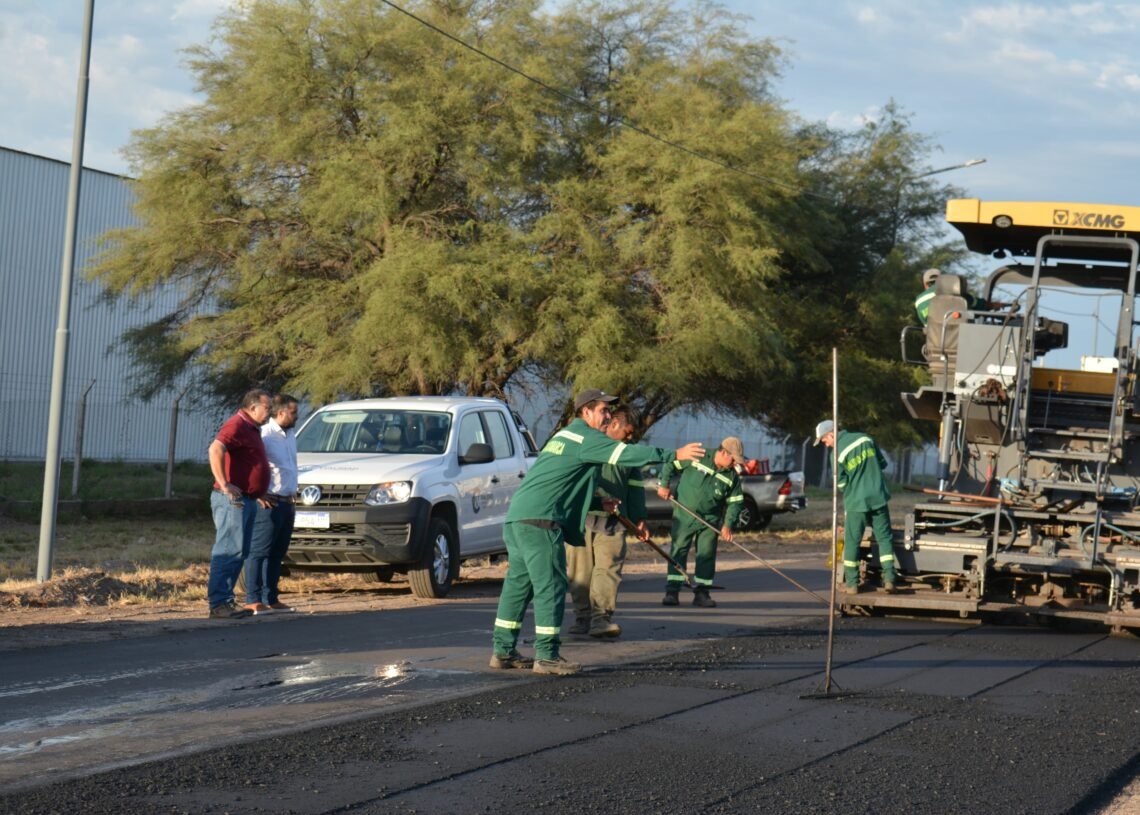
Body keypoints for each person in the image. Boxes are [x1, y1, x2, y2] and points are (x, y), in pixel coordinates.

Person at [491, 389, 705, 676]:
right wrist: (673, 455)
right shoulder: (588, 438)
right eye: (603, 410)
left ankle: (503, 652)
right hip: (541, 521)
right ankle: (547, 656)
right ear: (585, 412)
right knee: (551, 586)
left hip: (519, 519)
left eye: (608, 411)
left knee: (518, 587)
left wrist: (597, 502)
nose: (608, 416)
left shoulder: (564, 437)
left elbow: (560, 483)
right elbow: (625, 454)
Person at [566, 406, 647, 640]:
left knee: (608, 570)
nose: (630, 439)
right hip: (582, 519)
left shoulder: (628, 453)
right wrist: (601, 497)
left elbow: (636, 489)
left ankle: (601, 619)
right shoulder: (588, 444)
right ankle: (582, 618)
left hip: (614, 523)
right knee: (580, 573)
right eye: (628, 433)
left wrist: (640, 519)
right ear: (613, 426)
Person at [656, 436, 746, 608]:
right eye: (733, 459)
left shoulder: (732, 476)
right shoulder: (697, 455)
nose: (735, 463)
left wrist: (728, 525)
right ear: (724, 453)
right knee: (678, 550)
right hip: (684, 514)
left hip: (710, 521)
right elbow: (670, 464)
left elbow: (736, 502)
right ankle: (672, 591)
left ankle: (702, 593)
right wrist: (664, 484)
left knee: (706, 555)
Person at [206, 389, 271, 619]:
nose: (270, 412)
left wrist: (258, 491)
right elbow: (215, 449)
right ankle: (219, 603)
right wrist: (225, 484)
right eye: (267, 407)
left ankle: (226, 601)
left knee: (240, 550)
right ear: (253, 407)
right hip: (232, 499)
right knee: (228, 549)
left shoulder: (252, 429)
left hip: (248, 499)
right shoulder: (237, 425)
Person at [814, 419, 898, 593]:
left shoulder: (836, 454)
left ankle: (852, 584)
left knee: (852, 541)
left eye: (824, 440)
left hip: (856, 502)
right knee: (884, 539)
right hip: (878, 497)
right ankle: (889, 579)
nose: (826, 444)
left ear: (831, 433)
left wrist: (853, 491)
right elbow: (882, 464)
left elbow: (841, 484)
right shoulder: (865, 439)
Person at [244, 393, 300, 614]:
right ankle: (252, 598)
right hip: (270, 503)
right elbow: (250, 464)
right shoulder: (265, 435)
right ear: (281, 413)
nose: (298, 416)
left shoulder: (291, 435)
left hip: (288, 501)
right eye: (294, 412)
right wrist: (257, 493)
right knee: (259, 551)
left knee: (277, 552)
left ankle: (271, 598)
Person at [914, 267, 987, 325]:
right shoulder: (953, 292)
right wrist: (993, 305)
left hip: (933, 341)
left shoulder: (919, 301)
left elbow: (926, 325)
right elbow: (980, 305)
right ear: (942, 279)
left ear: (925, 285)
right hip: (961, 338)